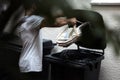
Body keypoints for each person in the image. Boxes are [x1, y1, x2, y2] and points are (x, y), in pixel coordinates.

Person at [16, 0, 77, 73]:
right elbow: (54, 22)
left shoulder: (23, 21)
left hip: (25, 62)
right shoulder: (32, 20)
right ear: (33, 6)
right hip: (31, 64)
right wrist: (69, 20)